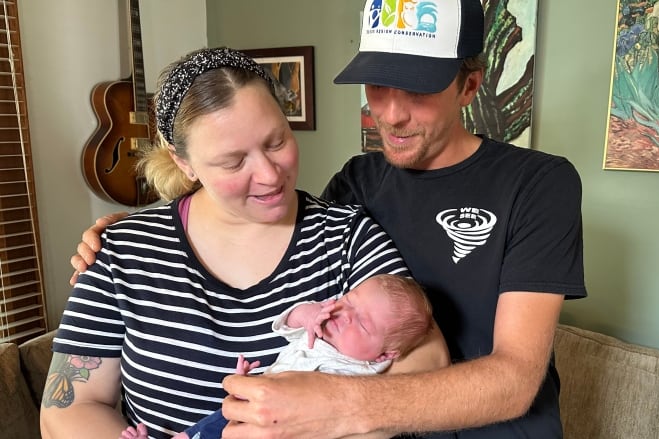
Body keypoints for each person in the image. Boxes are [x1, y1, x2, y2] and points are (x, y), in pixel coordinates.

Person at [71, 0, 588, 437]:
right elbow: (266, 218)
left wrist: (333, 406)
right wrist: (137, 230)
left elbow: (514, 379)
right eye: (379, 86)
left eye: (420, 90)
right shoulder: (358, 183)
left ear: (471, 85)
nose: (390, 113)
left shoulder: (538, 183)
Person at [43, 47, 448, 439]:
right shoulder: (120, 252)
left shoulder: (347, 237)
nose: (270, 175)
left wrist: (332, 412)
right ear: (183, 161)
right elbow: (68, 407)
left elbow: (427, 360)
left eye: (276, 142)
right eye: (234, 162)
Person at [121, 273, 434, 439]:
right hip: (250, 405)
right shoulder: (321, 325)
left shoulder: (366, 374)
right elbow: (286, 322)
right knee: (206, 427)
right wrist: (307, 314)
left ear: (385, 354)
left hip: (281, 428)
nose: (346, 313)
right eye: (349, 299)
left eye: (363, 323)